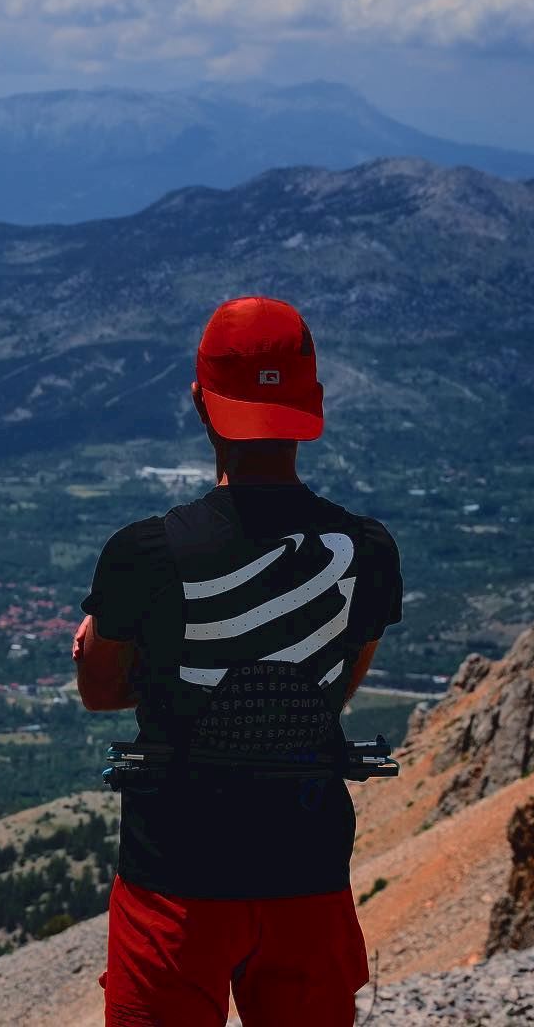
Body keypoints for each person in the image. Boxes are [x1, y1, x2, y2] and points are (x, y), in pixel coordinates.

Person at [72, 296, 404, 1027]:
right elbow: (330, 694)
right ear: (312, 406)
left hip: (176, 877)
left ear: (200, 401)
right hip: (308, 872)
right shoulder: (368, 551)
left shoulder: (145, 553)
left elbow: (99, 692)